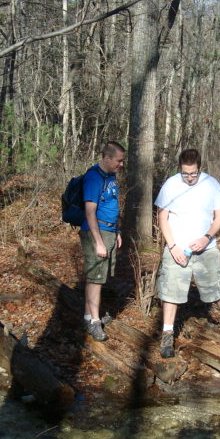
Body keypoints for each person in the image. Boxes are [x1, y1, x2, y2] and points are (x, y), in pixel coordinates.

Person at [154, 148, 220, 358]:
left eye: (193, 173)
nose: (189, 178)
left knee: (217, 284)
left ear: (199, 168)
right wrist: (173, 246)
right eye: (185, 173)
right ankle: (167, 334)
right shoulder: (170, 185)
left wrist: (207, 237)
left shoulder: (211, 184)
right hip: (177, 248)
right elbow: (162, 217)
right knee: (171, 289)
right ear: (180, 169)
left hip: (207, 247)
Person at [80, 141, 125, 341]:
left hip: (109, 230)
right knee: (95, 280)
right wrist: (98, 241)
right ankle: (94, 323)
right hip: (95, 232)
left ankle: (88, 316)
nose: (121, 164)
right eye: (119, 161)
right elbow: (90, 211)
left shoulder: (111, 176)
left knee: (98, 278)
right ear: (107, 158)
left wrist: (116, 231)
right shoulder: (93, 178)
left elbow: (111, 203)